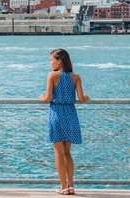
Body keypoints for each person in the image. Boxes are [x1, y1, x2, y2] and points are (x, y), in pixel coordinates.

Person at [39, 48, 89, 195]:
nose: (50, 63)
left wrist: (40, 97)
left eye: (51, 60)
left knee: (59, 153)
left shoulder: (52, 76)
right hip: (71, 114)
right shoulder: (76, 77)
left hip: (57, 114)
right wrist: (87, 96)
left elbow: (47, 98)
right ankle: (71, 185)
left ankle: (63, 187)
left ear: (59, 61)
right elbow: (81, 98)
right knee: (67, 153)